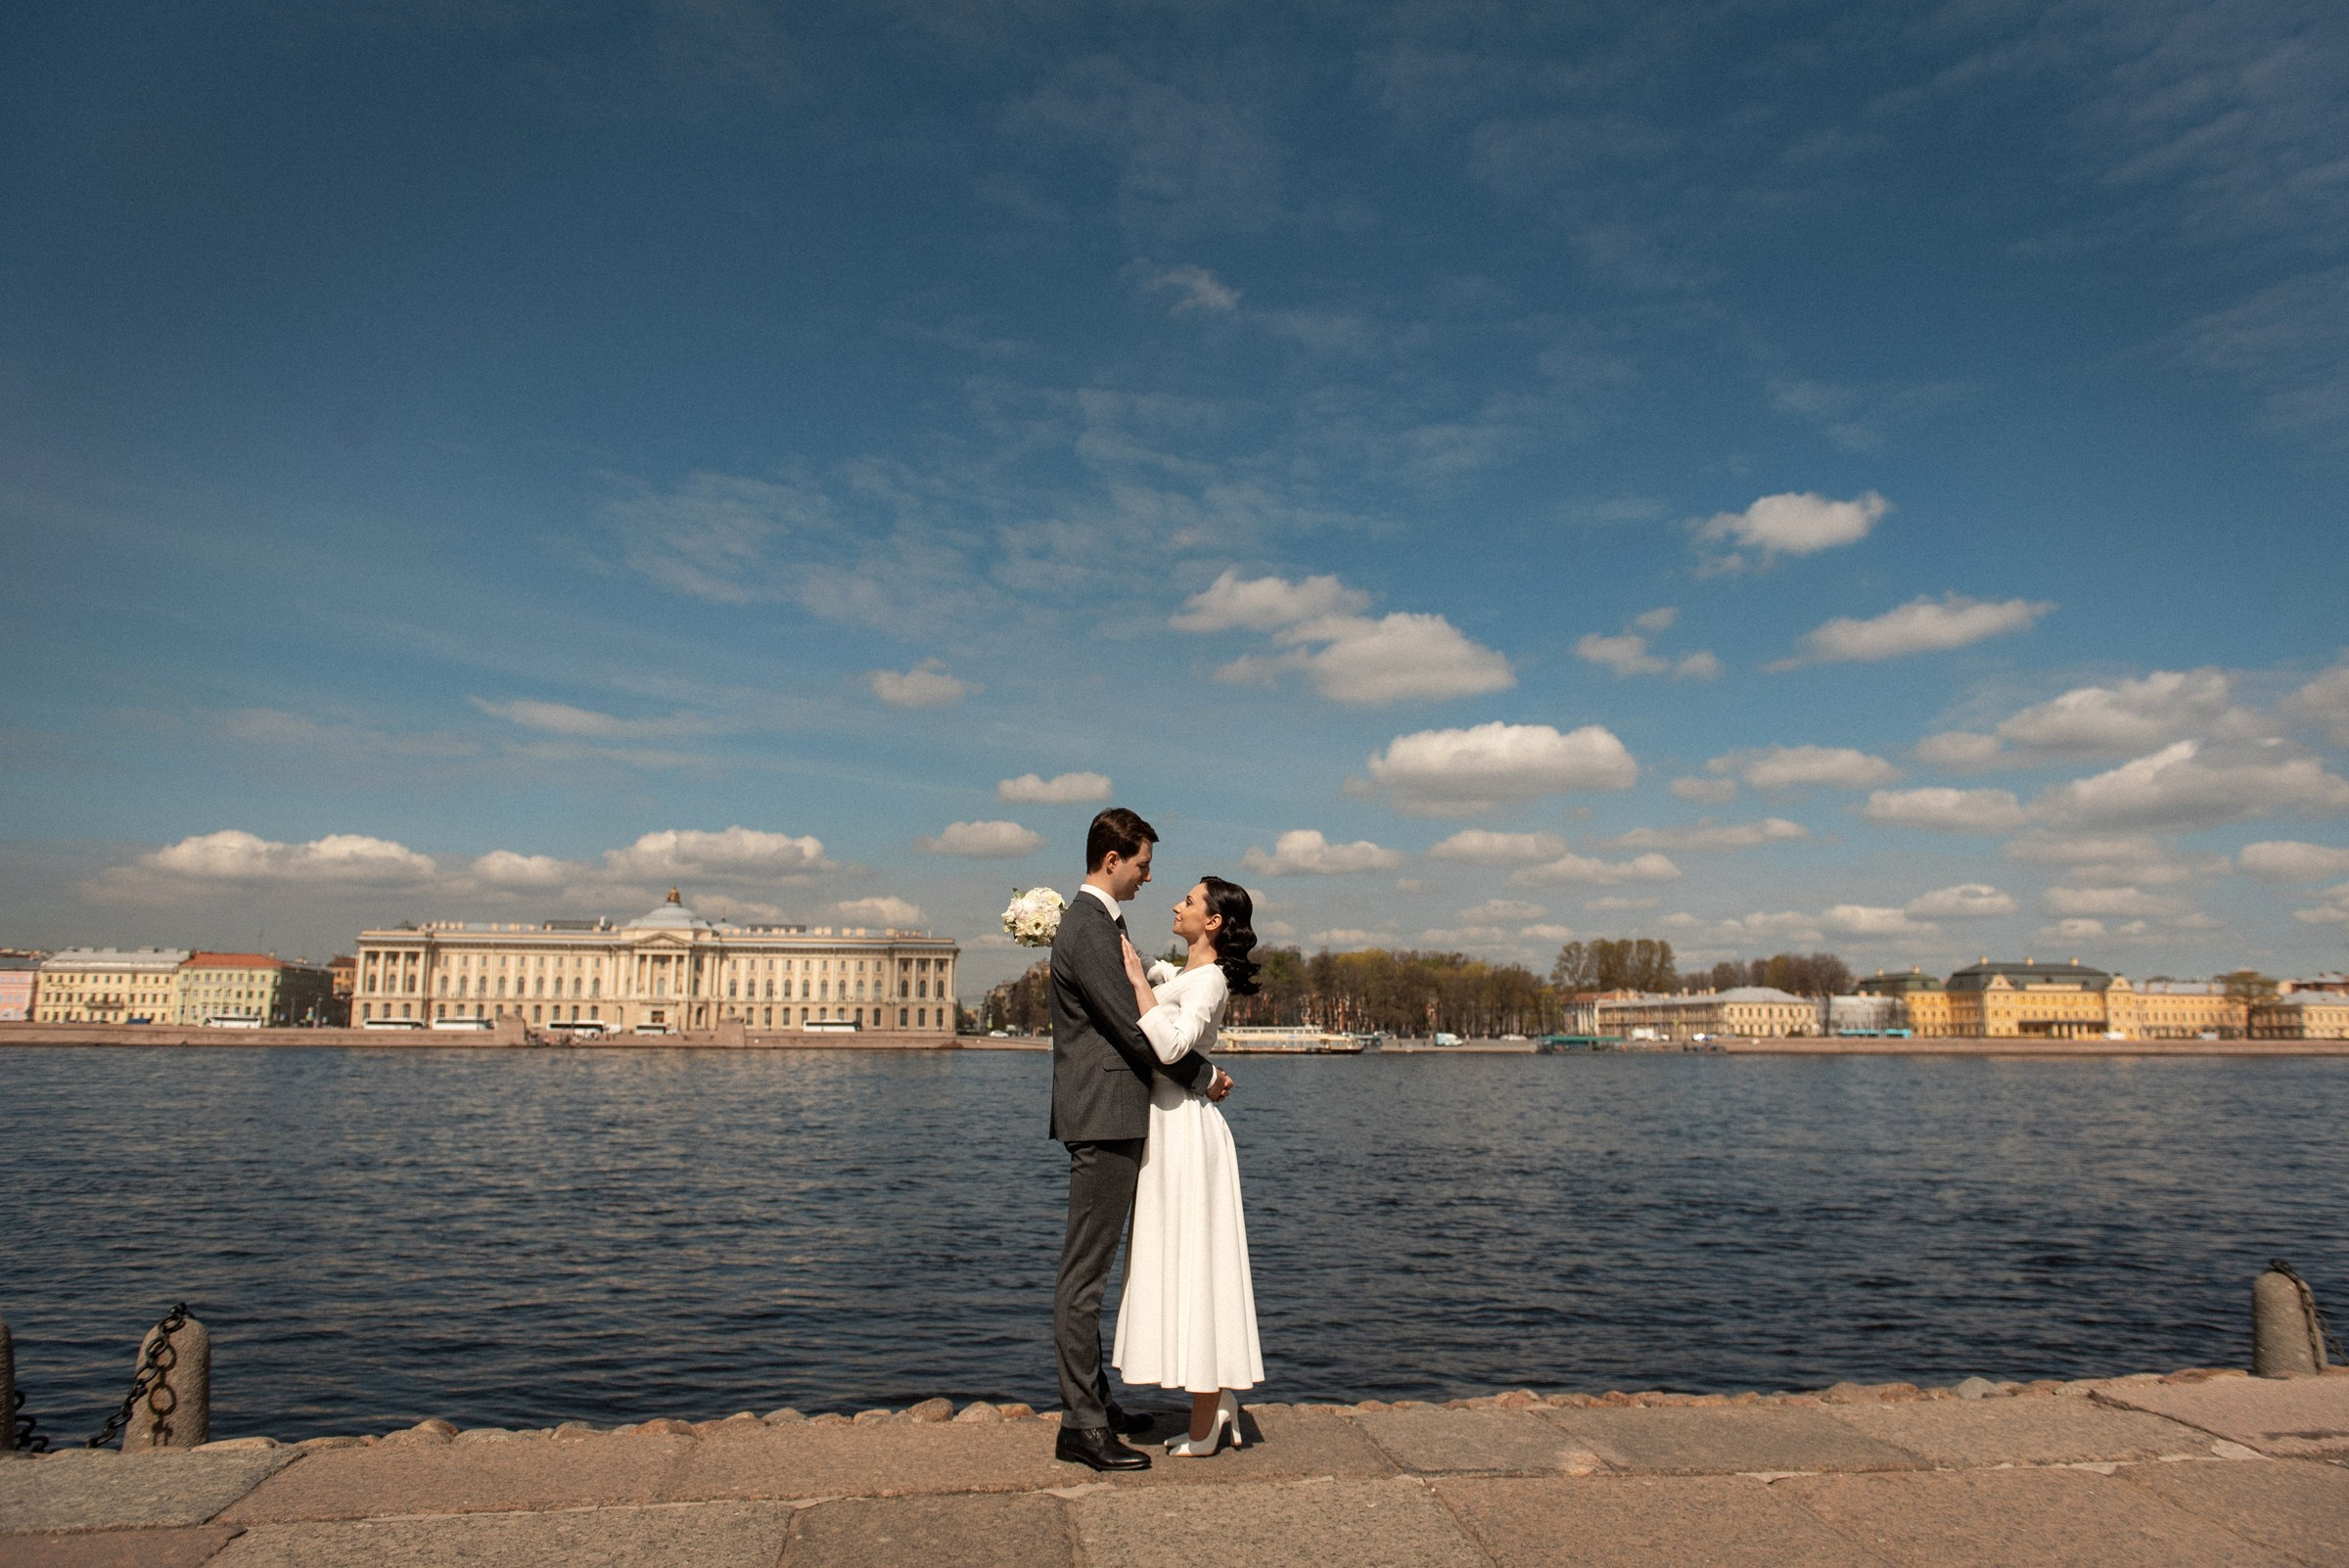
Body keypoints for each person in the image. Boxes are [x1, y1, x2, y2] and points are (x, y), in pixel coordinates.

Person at [1048, 807, 1233, 1472]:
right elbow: (1134, 1030)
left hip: (1113, 1113)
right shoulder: (1092, 928)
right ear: (1111, 860)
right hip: (1104, 1116)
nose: (1149, 878)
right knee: (1085, 1278)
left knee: (1091, 1275)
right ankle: (1082, 1427)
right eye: (1144, 865)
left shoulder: (1100, 924)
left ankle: (1095, 1406)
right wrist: (1203, 1073)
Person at [1113, 875, 1266, 1456]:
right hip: (1171, 1125)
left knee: (1197, 1263)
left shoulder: (1210, 981)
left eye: (1189, 901)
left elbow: (1174, 1047)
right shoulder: (1191, 975)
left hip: (1183, 1131)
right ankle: (1216, 1398)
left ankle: (1206, 1416)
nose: (1176, 905)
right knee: (1184, 1258)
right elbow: (1162, 977)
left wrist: (1136, 984)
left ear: (1213, 922)